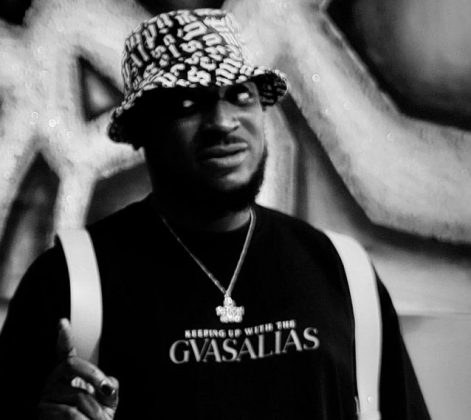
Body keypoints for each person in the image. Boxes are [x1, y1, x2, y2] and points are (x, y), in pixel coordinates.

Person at [0, 8, 430, 420]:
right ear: (142, 129)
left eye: (240, 95)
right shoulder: (67, 285)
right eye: (188, 104)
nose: (223, 122)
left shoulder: (343, 274)